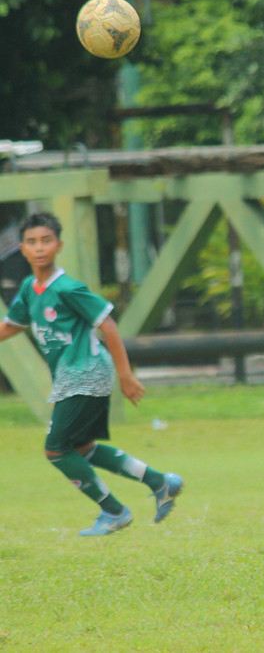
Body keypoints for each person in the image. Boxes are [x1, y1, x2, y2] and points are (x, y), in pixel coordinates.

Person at [0, 212, 183, 536]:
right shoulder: (30, 287)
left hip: (85, 372)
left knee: (56, 449)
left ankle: (114, 512)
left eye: (46, 240)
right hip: (72, 376)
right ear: (23, 249)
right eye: (32, 242)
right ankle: (161, 482)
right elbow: (12, 326)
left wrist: (126, 376)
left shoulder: (68, 288)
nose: (39, 247)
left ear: (59, 246)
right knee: (83, 447)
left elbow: (108, 325)